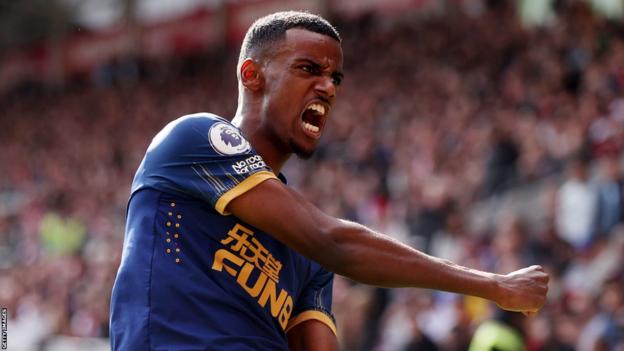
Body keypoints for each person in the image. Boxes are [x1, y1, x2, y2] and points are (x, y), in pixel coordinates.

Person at [109, 11, 549, 351]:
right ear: (251, 75)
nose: (328, 87)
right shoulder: (196, 139)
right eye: (308, 69)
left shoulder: (305, 254)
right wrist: (492, 285)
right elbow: (334, 241)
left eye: (335, 77)